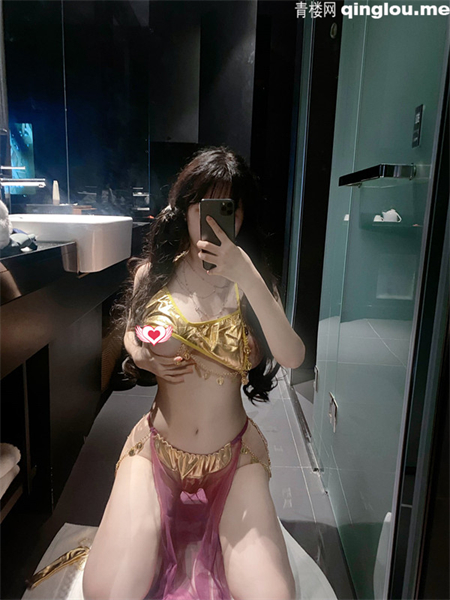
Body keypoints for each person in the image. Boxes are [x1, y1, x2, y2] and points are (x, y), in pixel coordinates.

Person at [82, 146, 306, 600]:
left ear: (240, 216)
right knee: (107, 592)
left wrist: (246, 274)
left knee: (271, 596)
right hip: (158, 449)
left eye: (228, 208)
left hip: (233, 454)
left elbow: (293, 356)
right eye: (203, 206)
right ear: (184, 210)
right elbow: (132, 332)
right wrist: (142, 356)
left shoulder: (254, 283)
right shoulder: (155, 273)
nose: (215, 220)